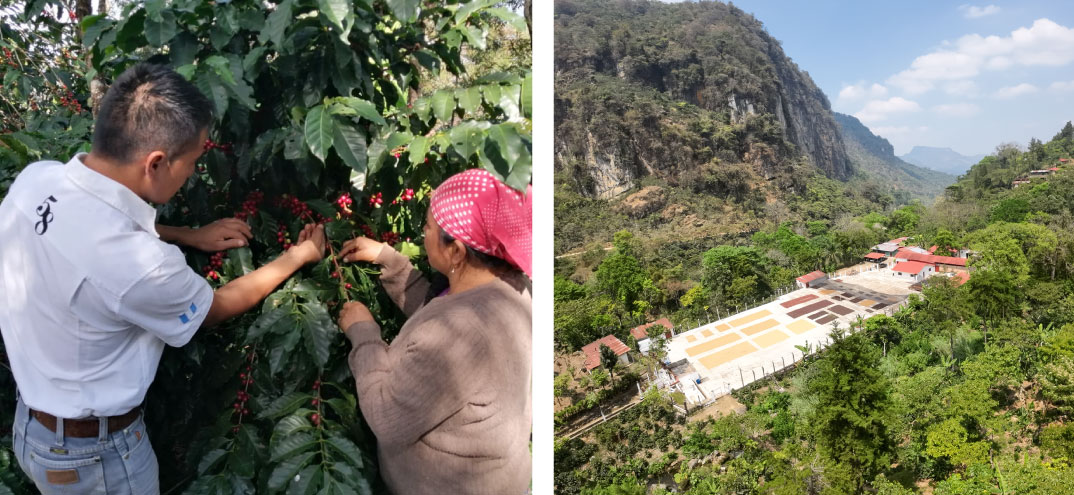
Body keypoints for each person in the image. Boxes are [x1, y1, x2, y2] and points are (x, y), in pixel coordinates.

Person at [0, 63, 326, 494]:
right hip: (97, 458)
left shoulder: (36, 181)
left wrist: (186, 234)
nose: (193, 172)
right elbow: (214, 307)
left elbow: (91, 229)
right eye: (192, 162)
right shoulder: (144, 267)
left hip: (33, 430)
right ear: (156, 163)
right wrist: (298, 255)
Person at [336, 168, 532, 495]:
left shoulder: (456, 338)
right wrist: (390, 261)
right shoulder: (510, 285)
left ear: (456, 251)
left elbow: (386, 418)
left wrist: (364, 334)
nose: (423, 233)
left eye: (427, 227)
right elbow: (440, 311)